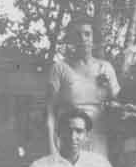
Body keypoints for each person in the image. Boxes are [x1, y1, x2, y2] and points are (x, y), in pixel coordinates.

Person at [46, 18, 120, 158]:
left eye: (87, 34)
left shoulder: (105, 68)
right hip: (69, 137)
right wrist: (52, 146)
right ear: (71, 39)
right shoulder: (60, 68)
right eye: (77, 35)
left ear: (94, 37)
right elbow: (50, 111)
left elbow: (117, 104)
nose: (83, 39)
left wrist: (109, 89)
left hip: (98, 137)